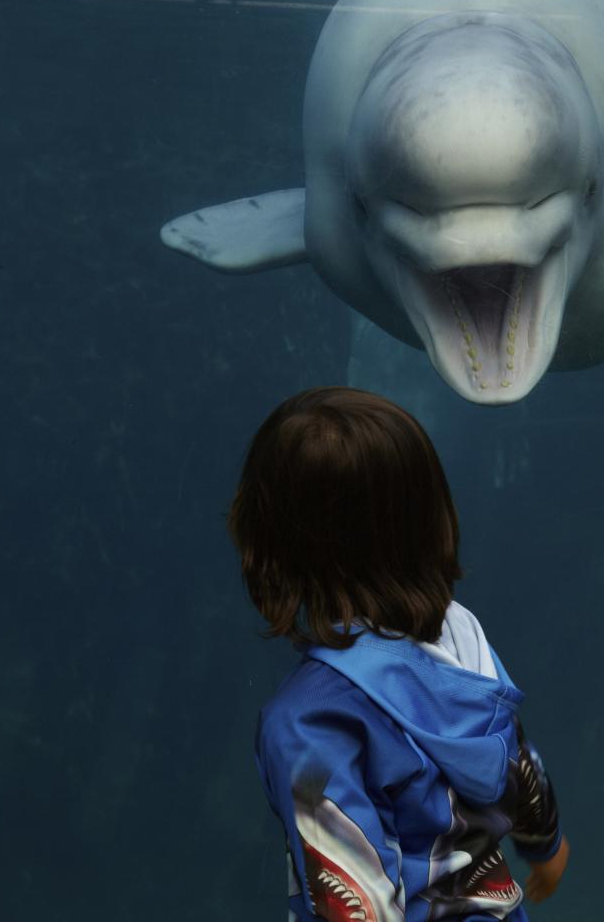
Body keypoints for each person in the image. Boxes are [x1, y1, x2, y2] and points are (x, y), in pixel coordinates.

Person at [229, 387, 569, 921]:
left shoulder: (309, 721)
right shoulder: (461, 639)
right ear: (433, 519)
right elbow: (512, 753)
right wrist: (544, 843)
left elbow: (355, 902)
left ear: (268, 540)